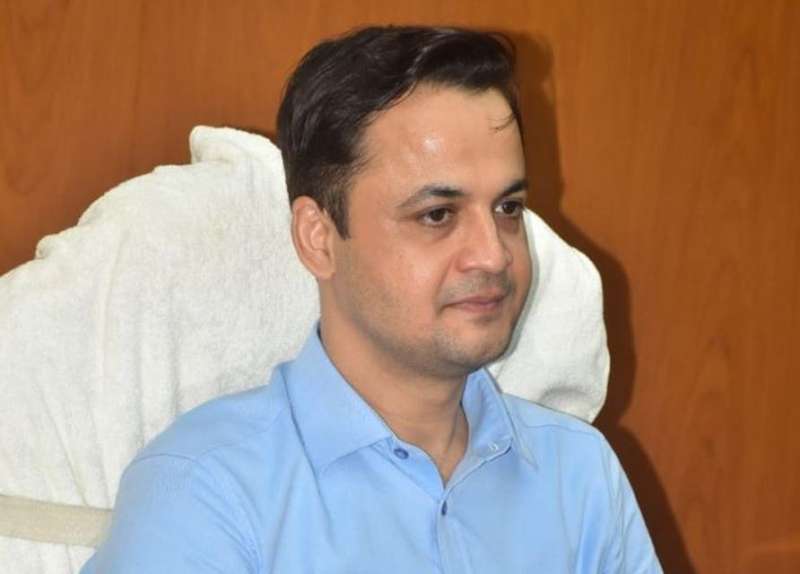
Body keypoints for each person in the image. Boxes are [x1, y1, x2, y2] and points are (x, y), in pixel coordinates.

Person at [82, 26, 662, 573]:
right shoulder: (203, 493)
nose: (493, 255)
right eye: (438, 215)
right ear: (318, 239)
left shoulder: (580, 476)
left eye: (508, 209)